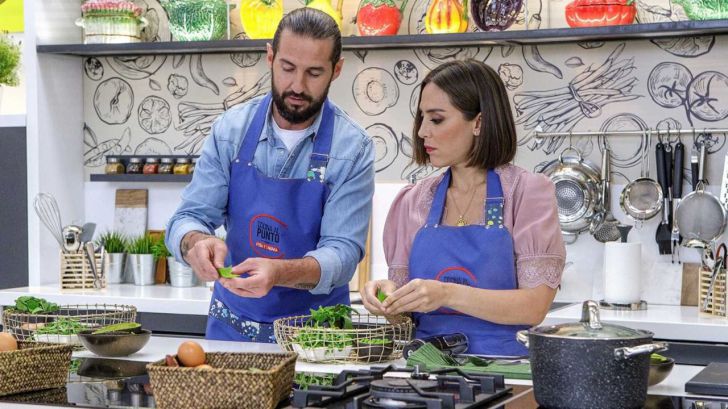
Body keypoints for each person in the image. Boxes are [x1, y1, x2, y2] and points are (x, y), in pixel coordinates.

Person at [166, 8, 375, 343]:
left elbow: (343, 253)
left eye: (314, 73)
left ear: (336, 71)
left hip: (317, 339)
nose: (297, 85)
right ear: (270, 57)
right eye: (287, 68)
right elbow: (188, 217)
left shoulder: (353, 148)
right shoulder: (230, 130)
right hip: (231, 331)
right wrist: (195, 242)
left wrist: (279, 272)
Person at [360, 59, 565, 356]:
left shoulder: (527, 194)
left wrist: (446, 293)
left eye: (437, 119)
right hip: (425, 370)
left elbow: (534, 307)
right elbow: (404, 317)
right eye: (422, 118)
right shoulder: (413, 202)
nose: (421, 132)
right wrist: (386, 297)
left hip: (504, 370)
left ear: (479, 123)